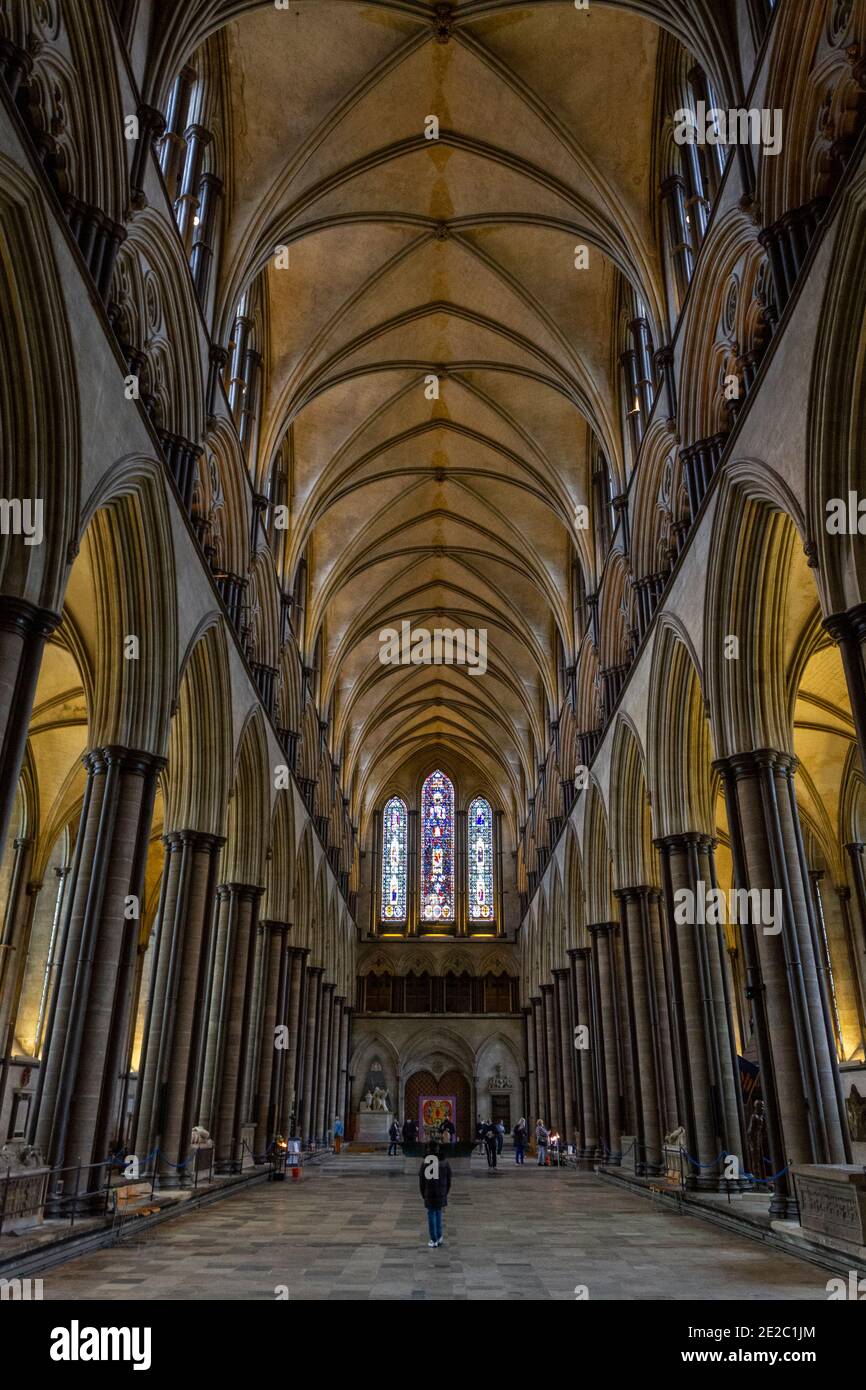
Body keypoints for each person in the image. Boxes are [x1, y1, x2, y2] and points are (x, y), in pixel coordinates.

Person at [419, 1141, 452, 1247]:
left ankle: (433, 1239)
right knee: (438, 1213)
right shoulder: (444, 1161)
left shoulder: (426, 1161)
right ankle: (439, 1236)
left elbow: (422, 1180)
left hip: (429, 1192)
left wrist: (423, 1194)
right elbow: (449, 1178)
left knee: (431, 1214)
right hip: (441, 1192)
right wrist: (445, 1192)